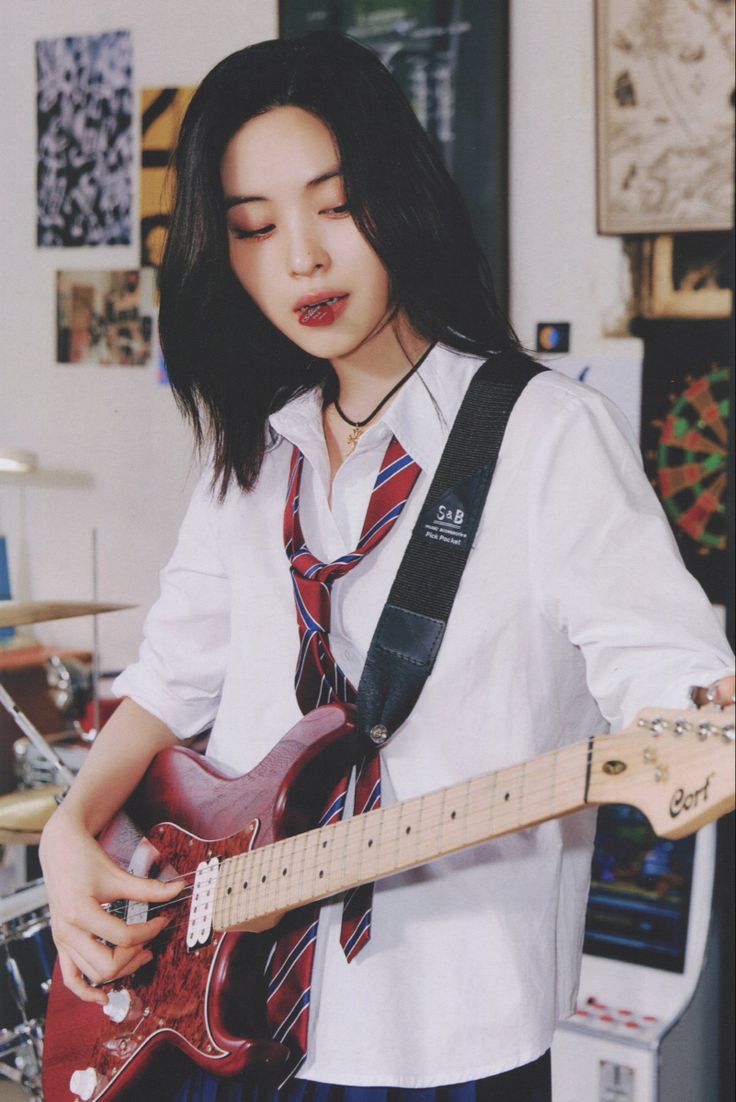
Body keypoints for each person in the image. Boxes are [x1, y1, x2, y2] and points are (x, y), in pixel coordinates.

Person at [39, 30, 734, 1102]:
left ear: (396, 194)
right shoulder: (247, 460)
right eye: (254, 229)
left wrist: (699, 706)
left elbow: (664, 669)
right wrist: (68, 826)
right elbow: (166, 680)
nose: (302, 259)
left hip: (451, 1030)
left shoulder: (547, 435)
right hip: (232, 1020)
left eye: (333, 204)